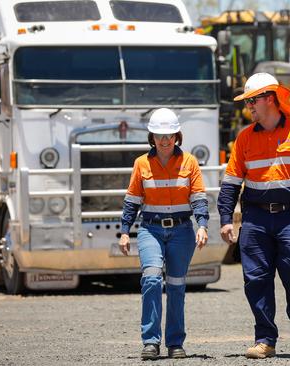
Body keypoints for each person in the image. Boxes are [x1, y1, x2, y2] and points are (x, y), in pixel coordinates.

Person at [217, 72, 290, 359]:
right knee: (256, 278)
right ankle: (265, 339)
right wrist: (226, 219)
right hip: (256, 219)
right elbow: (230, 183)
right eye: (247, 101)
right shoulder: (243, 139)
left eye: (252, 100)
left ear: (269, 99)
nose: (248, 106)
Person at [118, 108, 209, 360]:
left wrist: (202, 225)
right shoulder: (142, 164)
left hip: (182, 231)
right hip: (150, 230)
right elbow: (132, 202)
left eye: (169, 134)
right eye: (159, 135)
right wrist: (125, 232)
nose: (165, 140)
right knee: (151, 279)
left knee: (177, 286)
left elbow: (199, 199)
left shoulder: (189, 162)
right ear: (152, 137)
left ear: (177, 135)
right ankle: (150, 341)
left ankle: (175, 342)